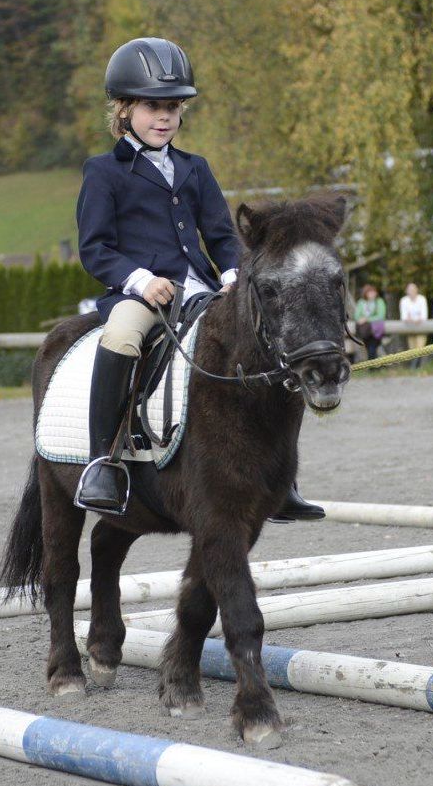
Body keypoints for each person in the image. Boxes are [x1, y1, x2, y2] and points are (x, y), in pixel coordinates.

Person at [75, 37, 320, 522]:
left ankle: (281, 475)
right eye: (152, 107)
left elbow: (223, 236)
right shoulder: (104, 172)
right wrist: (141, 281)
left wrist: (234, 274)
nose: (164, 117)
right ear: (124, 109)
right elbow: (95, 249)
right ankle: (103, 461)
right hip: (143, 295)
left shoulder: (195, 168)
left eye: (172, 107)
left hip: (205, 292)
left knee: (269, 340)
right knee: (123, 337)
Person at [352, 284, 387, 361]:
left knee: (373, 347)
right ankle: (373, 366)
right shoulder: (361, 302)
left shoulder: (379, 301)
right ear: (366, 293)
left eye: (373, 292)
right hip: (365, 331)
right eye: (370, 292)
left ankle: (372, 367)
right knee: (368, 348)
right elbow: (357, 316)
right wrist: (363, 319)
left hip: (376, 330)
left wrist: (366, 319)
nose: (372, 294)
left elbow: (381, 316)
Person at [398, 282, 429, 364]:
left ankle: (414, 367)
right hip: (410, 328)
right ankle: (415, 368)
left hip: (421, 327)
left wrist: (413, 319)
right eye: (410, 289)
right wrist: (413, 319)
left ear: (417, 290)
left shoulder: (422, 299)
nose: (412, 291)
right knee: (412, 349)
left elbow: (424, 316)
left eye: (413, 289)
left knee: (420, 348)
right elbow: (404, 317)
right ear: (407, 291)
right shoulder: (404, 300)